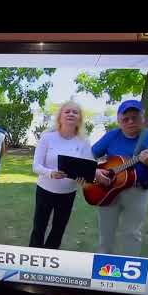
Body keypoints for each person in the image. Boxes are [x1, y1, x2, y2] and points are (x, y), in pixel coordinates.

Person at [92, 99, 148, 256]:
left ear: (143, 118)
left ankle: (129, 269)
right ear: (119, 121)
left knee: (131, 233)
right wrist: (95, 172)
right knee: (105, 235)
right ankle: (103, 270)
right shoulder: (112, 135)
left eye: (135, 117)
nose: (130, 121)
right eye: (125, 119)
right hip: (108, 190)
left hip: (138, 192)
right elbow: (89, 155)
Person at [29, 101, 93, 249]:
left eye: (75, 112)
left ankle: (50, 260)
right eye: (67, 111)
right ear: (60, 117)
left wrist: (84, 179)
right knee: (39, 228)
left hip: (67, 194)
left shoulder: (84, 142)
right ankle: (33, 260)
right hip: (44, 190)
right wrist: (51, 173)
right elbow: (36, 166)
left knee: (58, 230)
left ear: (80, 119)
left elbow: (87, 168)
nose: (71, 114)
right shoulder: (47, 137)